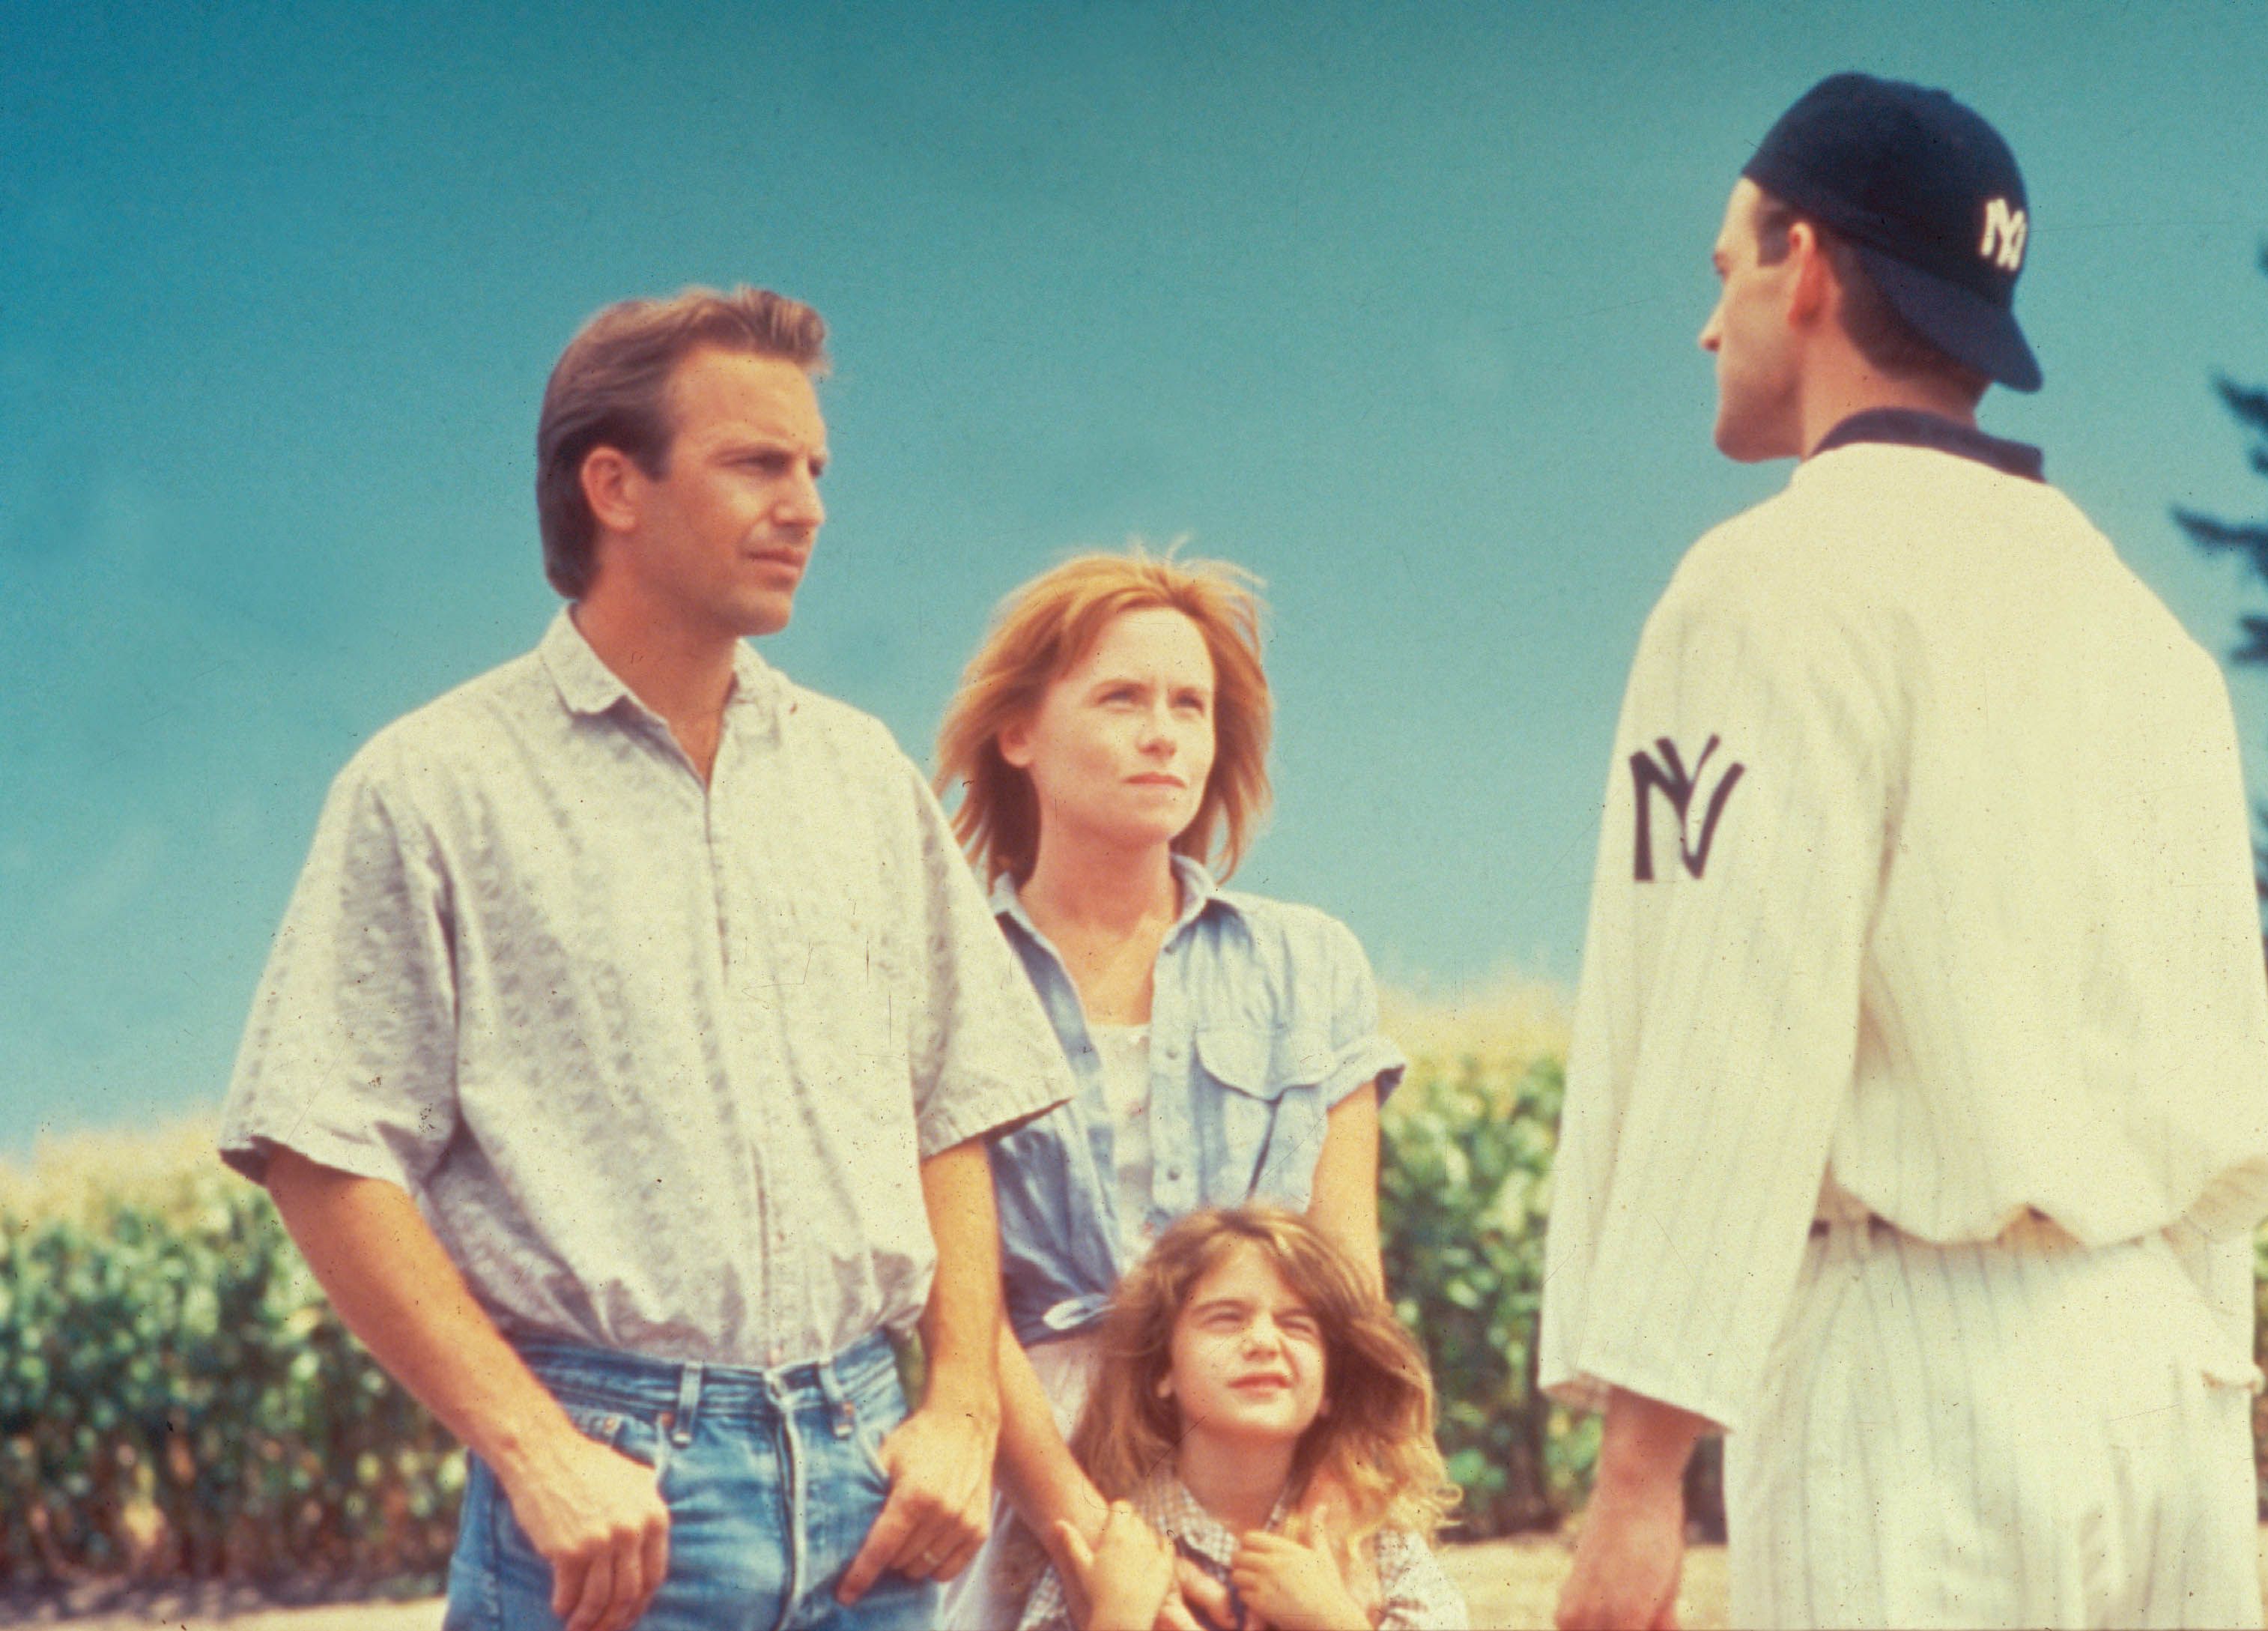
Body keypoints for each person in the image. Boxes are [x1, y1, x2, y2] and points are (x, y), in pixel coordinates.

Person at [1541, 74, 2268, 1630]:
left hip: (1909, 1382)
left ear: (1806, 264)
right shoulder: (2140, 623)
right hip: (2167, 1371)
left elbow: (1726, 1032)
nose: (1710, 323)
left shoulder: (1770, 585)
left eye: (1726, 269)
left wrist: (1637, 1479)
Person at [219, 286, 1076, 1631]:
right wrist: (536, 1447)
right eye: (756, 463)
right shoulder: (434, 784)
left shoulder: (861, 775)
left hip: (872, 1494)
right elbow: (322, 1153)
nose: (807, 505)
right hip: (613, 1516)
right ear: (613, 484)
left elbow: (948, 1107)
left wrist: (961, 1406)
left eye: (814, 469)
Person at [930, 551, 1407, 1629]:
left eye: (1190, 707)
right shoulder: (946, 971)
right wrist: (1084, 1532)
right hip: (1028, 1465)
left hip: (1262, 1454)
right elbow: (956, 1307)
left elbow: (1350, 1286)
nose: (1164, 734)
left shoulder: (1309, 962)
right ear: (1018, 734)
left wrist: (1323, 1519)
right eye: (1121, 699)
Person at [1013, 1206, 1464, 1631]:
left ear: (1330, 1385)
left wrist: (1335, 1620)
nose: (1264, 1342)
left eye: (1297, 1325)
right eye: (1226, 1319)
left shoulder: (1376, 1543)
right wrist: (1118, 1616)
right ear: (1162, 1368)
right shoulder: (1118, 1548)